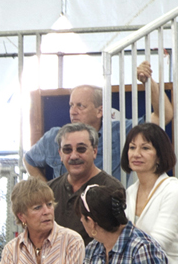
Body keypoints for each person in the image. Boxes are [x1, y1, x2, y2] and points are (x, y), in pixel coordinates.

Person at [25, 69, 170, 184]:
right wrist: (47, 192)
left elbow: (165, 115)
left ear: (100, 111)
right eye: (71, 105)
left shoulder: (120, 132)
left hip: (106, 214)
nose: (73, 111)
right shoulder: (54, 136)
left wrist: (149, 82)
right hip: (66, 215)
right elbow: (29, 160)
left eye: (80, 106)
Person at [47, 123, 122, 240]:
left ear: (95, 152)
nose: (74, 156)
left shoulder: (112, 189)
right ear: (60, 154)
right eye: (67, 150)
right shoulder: (49, 191)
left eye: (81, 149)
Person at [121, 124, 178, 264]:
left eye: (145, 148)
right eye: (132, 147)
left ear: (160, 155)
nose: (136, 154)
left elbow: (159, 242)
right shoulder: (130, 192)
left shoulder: (172, 189)